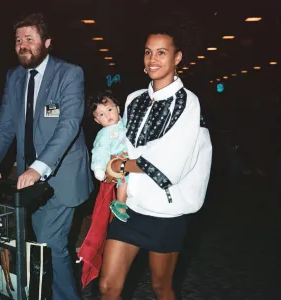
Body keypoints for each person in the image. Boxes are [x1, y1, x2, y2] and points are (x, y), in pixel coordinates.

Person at [0, 13, 93, 300]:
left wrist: (37, 168)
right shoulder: (14, 77)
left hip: (61, 175)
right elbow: (5, 124)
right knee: (42, 247)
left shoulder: (69, 73)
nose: (22, 45)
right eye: (18, 40)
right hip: (29, 182)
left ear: (47, 43)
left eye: (29, 39)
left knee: (50, 244)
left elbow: (69, 124)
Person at [99, 30, 212, 300]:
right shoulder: (133, 99)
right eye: (148, 52)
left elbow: (171, 162)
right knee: (107, 287)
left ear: (177, 58)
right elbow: (123, 144)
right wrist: (108, 162)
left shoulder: (188, 102)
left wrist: (122, 165)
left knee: (161, 287)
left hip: (165, 212)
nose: (153, 58)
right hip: (129, 208)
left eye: (162, 52)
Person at [88, 91, 129, 222]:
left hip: (131, 158)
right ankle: (120, 204)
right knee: (124, 181)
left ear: (118, 108)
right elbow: (99, 151)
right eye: (101, 114)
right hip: (118, 161)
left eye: (110, 109)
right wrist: (98, 169)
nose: (107, 115)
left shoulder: (124, 124)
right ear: (97, 120)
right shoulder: (104, 134)